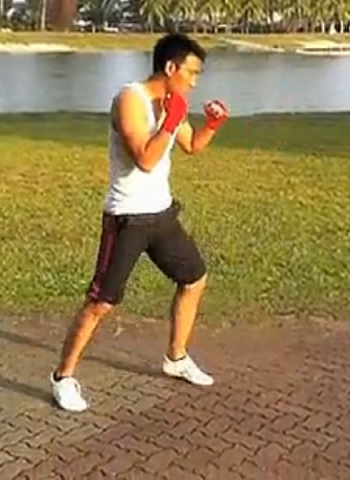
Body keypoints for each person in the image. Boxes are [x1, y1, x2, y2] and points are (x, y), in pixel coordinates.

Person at [49, 33, 230, 412]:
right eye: (191, 73)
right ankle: (63, 377)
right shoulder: (130, 100)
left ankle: (176, 358)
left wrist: (212, 125)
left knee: (194, 279)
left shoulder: (173, 103)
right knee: (101, 303)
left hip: (161, 215)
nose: (194, 82)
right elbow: (145, 159)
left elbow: (192, 145)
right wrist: (169, 121)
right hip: (127, 218)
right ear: (171, 67)